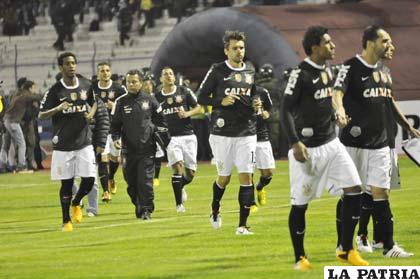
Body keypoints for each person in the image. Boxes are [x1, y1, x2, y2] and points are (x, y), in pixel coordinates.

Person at [281, 26, 369, 270]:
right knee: (300, 204)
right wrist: (295, 142)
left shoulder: (330, 71)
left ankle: (345, 249)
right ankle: (300, 257)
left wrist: (337, 113)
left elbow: (327, 101)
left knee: (355, 189)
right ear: (314, 48)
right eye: (328, 42)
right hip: (307, 149)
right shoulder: (300, 74)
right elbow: (285, 110)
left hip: (332, 144)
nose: (333, 46)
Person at [333, 25, 417, 258]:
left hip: (380, 143)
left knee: (381, 192)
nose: (391, 45)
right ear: (370, 42)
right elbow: (337, 92)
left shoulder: (384, 70)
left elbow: (389, 101)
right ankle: (344, 244)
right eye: (385, 41)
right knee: (351, 194)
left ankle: (388, 246)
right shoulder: (350, 67)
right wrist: (339, 110)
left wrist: (407, 126)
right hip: (354, 143)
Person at [197, 30, 261, 235]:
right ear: (226, 50)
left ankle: (242, 225)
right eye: (234, 48)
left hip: (247, 132)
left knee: (246, 177)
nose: (239, 51)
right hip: (222, 134)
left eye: (241, 48)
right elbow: (201, 97)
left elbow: (254, 94)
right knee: (223, 177)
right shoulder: (217, 70)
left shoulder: (250, 70)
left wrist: (257, 103)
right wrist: (220, 102)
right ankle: (215, 207)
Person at [39, 52, 97, 232]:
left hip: (84, 141)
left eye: (73, 63)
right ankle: (66, 220)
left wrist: (90, 114)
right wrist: (57, 108)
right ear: (61, 67)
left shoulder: (86, 84)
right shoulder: (55, 90)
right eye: (67, 64)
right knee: (66, 183)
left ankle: (77, 202)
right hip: (63, 145)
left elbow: (94, 102)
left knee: (89, 179)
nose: (71, 66)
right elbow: (41, 115)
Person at [110, 69, 167, 220]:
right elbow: (114, 125)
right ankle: (138, 204)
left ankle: (147, 209)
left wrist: (157, 133)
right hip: (128, 150)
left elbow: (161, 121)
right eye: (128, 82)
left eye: (134, 81)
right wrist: (116, 138)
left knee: (145, 181)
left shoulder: (150, 100)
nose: (131, 84)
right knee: (131, 183)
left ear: (141, 83)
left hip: (147, 148)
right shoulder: (120, 102)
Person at [155, 66, 201, 213]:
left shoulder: (184, 91)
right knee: (178, 167)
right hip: (171, 138)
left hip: (188, 136)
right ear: (161, 79)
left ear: (174, 77)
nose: (168, 76)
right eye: (165, 74)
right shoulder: (157, 97)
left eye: (171, 74)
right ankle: (179, 205)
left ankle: (180, 186)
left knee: (190, 173)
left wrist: (187, 113)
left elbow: (199, 108)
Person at [92, 62, 127, 200]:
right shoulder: (92, 87)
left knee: (115, 158)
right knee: (103, 158)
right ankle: (105, 191)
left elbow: (128, 104)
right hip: (100, 129)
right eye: (102, 71)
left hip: (116, 129)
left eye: (107, 70)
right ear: (98, 73)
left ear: (110, 72)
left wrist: (115, 106)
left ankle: (111, 177)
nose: (105, 73)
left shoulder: (119, 88)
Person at [0, 80, 41, 173]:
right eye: (34, 88)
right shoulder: (26, 95)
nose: (34, 90)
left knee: (5, 145)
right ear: (30, 88)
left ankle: (2, 166)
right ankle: (21, 166)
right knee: (22, 143)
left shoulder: (17, 94)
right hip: (13, 121)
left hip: (6, 120)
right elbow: (37, 97)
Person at [253, 85, 275, 208]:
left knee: (268, 173)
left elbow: (270, 108)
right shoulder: (237, 92)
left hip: (262, 136)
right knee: (247, 172)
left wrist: (267, 112)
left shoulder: (262, 91)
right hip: (245, 136)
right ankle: (250, 203)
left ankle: (260, 187)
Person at [141, 70, 163, 187]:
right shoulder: (139, 98)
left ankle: (156, 177)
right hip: (143, 131)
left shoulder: (158, 97)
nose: (148, 86)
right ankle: (145, 176)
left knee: (158, 153)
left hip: (155, 130)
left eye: (150, 84)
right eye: (145, 84)